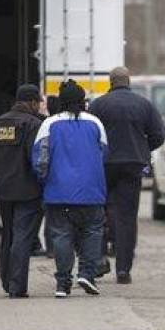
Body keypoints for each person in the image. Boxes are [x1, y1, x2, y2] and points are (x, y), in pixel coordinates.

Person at [89, 67, 165, 284]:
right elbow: (159, 135)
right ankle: (123, 270)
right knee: (127, 217)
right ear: (128, 81)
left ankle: (99, 259)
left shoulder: (98, 105)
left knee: (99, 212)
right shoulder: (144, 105)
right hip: (134, 165)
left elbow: (90, 134)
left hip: (104, 165)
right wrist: (142, 148)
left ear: (111, 83)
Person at [32, 79, 108, 298]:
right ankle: (87, 274)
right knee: (93, 232)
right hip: (92, 192)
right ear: (83, 101)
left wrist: (44, 181)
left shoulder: (49, 124)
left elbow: (40, 160)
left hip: (58, 193)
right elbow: (104, 153)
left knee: (61, 236)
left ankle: (63, 284)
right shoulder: (95, 123)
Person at [0, 84, 44, 298]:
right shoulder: (33, 124)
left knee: (8, 235)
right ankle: (17, 286)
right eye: (38, 102)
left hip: (3, 190)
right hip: (27, 190)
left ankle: (7, 282)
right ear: (33, 102)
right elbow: (37, 159)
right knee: (23, 237)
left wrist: (0, 174)